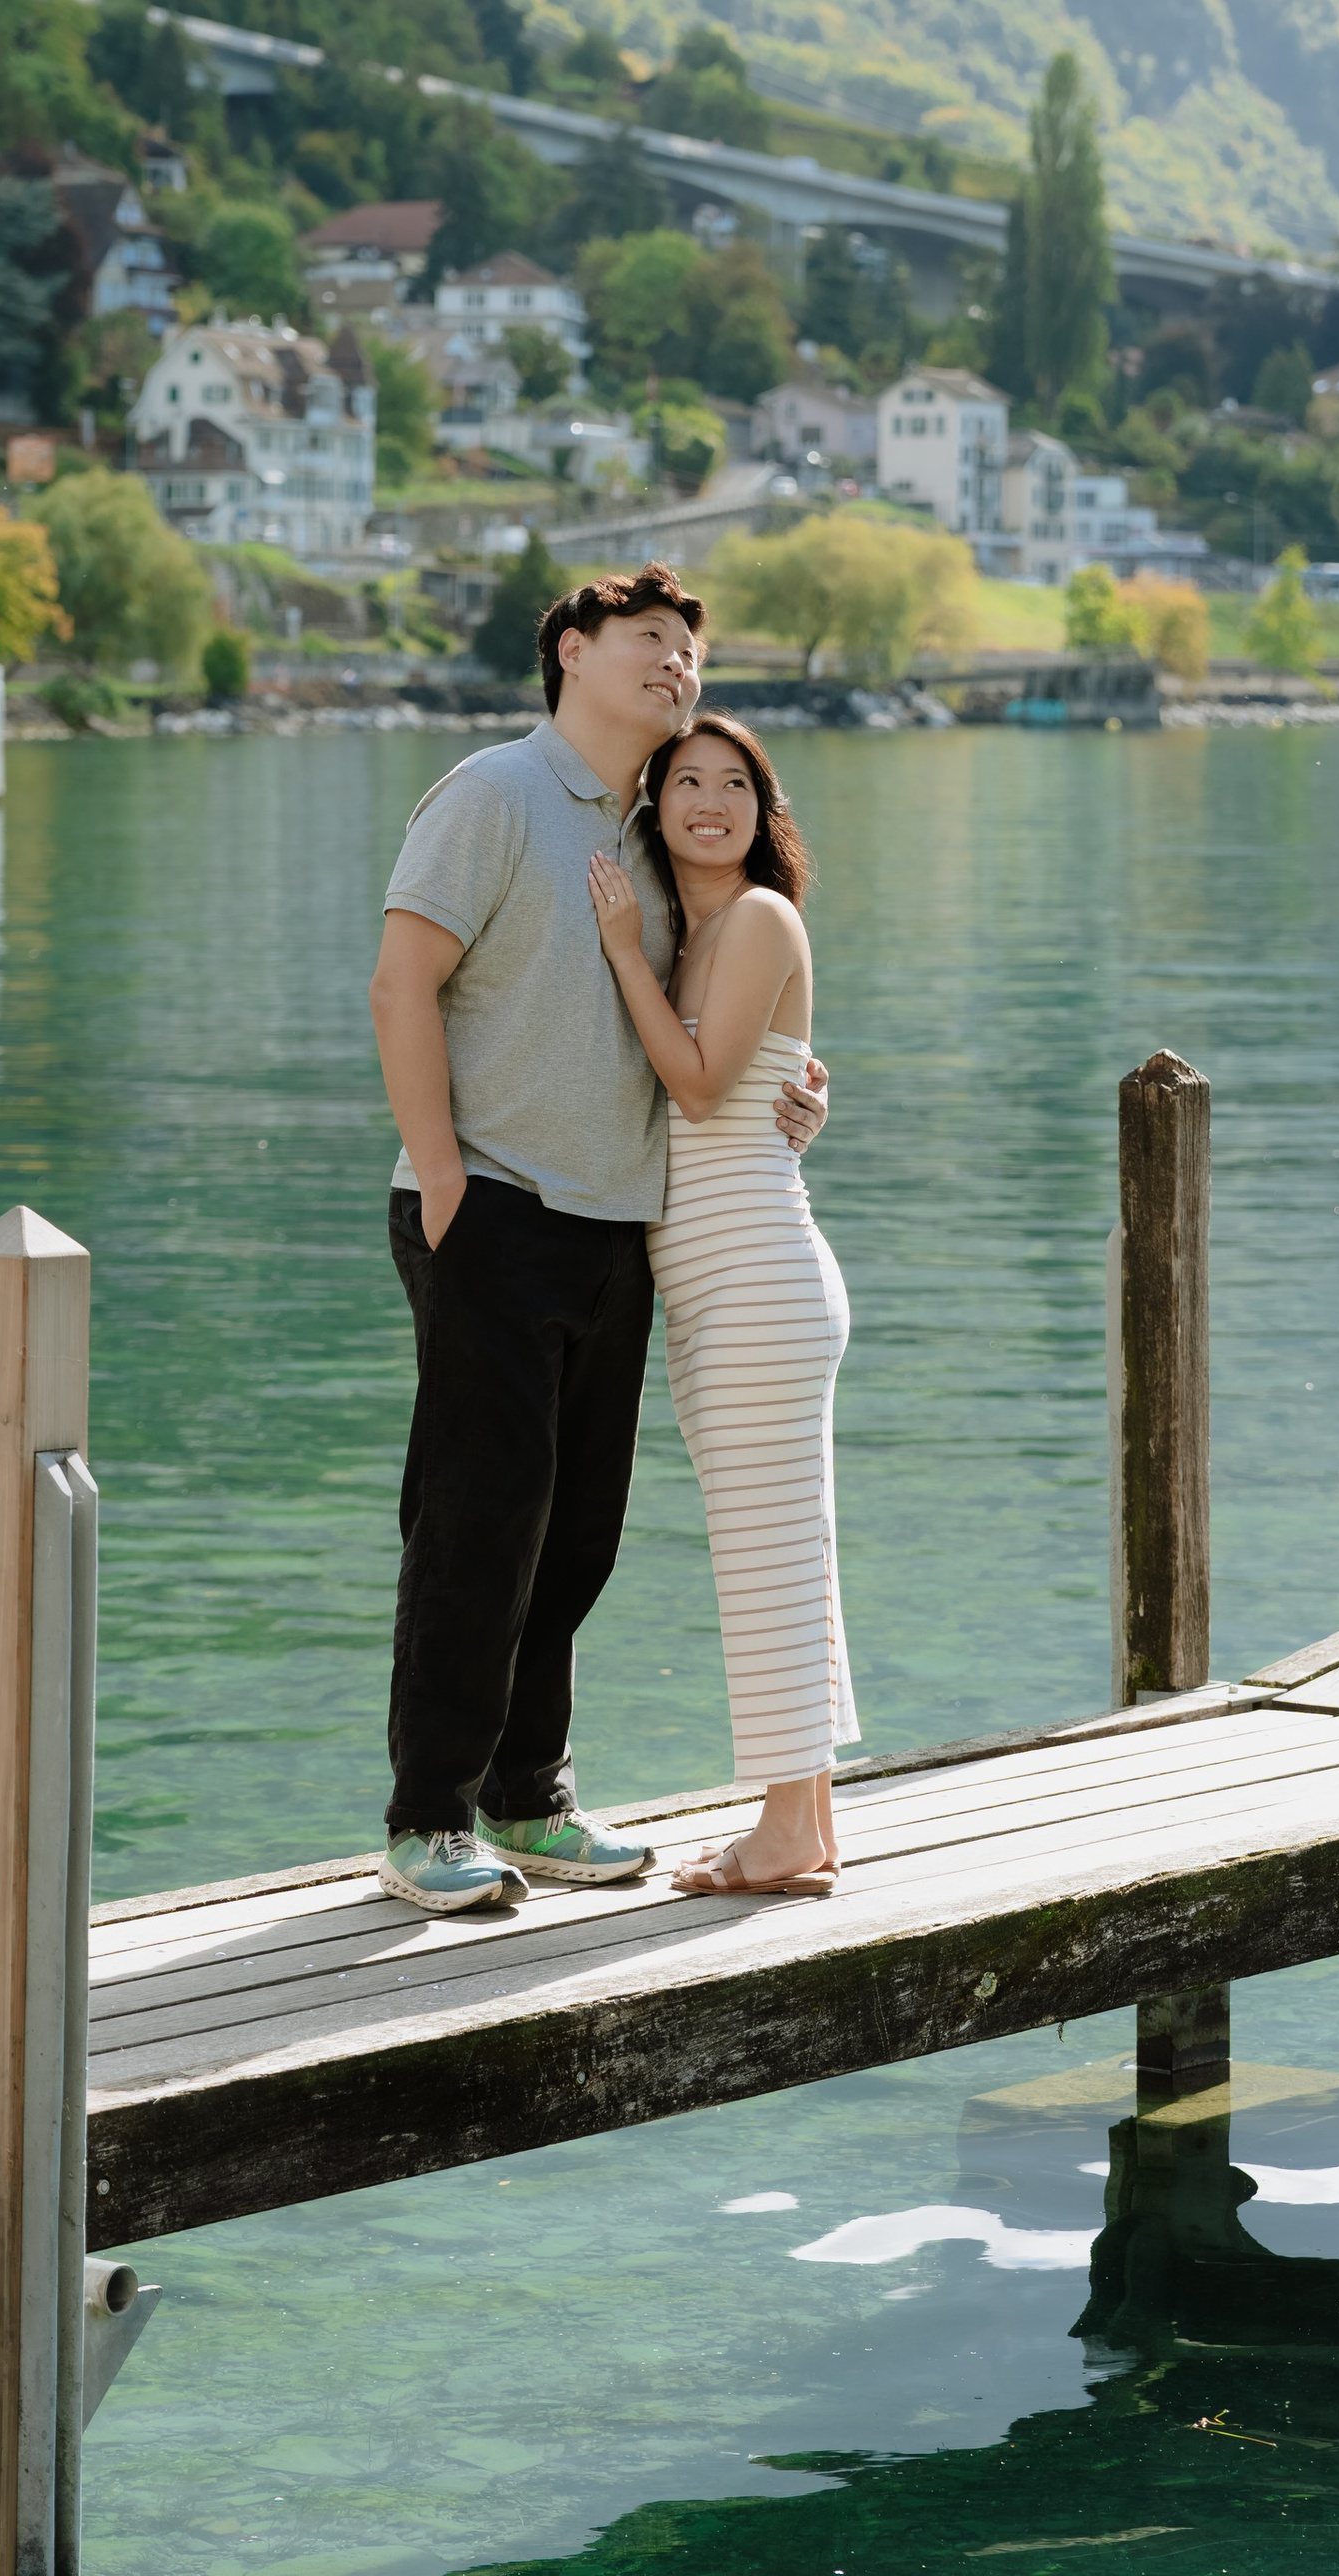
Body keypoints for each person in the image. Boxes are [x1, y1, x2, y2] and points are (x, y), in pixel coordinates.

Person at [367, 566, 828, 1915]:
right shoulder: (495, 794)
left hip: (619, 1225)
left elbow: (712, 1021)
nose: (676, 664)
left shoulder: (646, 835)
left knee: (575, 1535)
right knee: (475, 1521)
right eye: (648, 641)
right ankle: (427, 1818)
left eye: (691, 649)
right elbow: (402, 981)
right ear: (570, 650)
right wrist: (447, 1181)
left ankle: (529, 1797)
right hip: (493, 1207)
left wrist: (799, 1082)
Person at [589, 713, 856, 1897]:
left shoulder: (752, 918)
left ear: (763, 807)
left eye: (733, 782)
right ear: (654, 809)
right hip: (720, 1283)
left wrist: (616, 956)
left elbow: (697, 1093)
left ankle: (787, 1829)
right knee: (780, 1552)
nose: (709, 799)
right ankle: (804, 1821)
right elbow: (754, 1085)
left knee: (767, 1554)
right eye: (685, 781)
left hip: (753, 1273)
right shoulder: (697, 940)